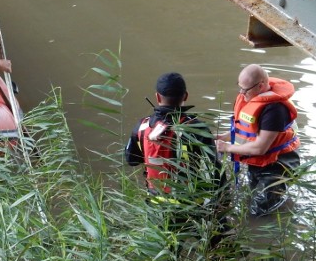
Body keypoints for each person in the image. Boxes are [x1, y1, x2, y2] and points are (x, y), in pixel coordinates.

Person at [215, 64, 301, 216]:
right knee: (251, 196)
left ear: (261, 86)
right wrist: (224, 137)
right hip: (261, 162)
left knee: (258, 211)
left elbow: (260, 147)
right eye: (239, 87)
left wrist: (226, 148)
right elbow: (247, 131)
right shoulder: (253, 97)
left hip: (278, 165)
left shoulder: (274, 110)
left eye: (245, 89)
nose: (241, 93)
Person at [126, 72, 225, 201]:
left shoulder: (142, 127)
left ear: (157, 97)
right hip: (189, 204)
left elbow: (131, 160)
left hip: (155, 204)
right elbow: (215, 171)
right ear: (186, 96)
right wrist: (222, 202)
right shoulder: (197, 128)